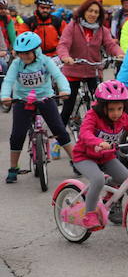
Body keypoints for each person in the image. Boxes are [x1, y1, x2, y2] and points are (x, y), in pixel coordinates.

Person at [71, 80, 128, 230]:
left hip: (106, 156)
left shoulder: (122, 117)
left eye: (120, 108)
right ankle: (89, 214)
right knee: (98, 179)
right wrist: (98, 142)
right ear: (102, 107)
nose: (116, 113)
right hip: (84, 157)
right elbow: (85, 133)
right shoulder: (93, 116)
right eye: (112, 109)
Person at [1, 32, 74, 182]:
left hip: (45, 98)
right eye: (21, 54)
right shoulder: (16, 64)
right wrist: (5, 97)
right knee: (17, 134)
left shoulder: (45, 61)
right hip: (22, 100)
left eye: (27, 53)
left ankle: (75, 160)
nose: (24, 57)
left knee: (59, 129)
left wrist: (65, 89)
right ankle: (13, 167)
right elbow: (8, 81)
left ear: (36, 50)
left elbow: (59, 76)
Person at [57, 0, 124, 126]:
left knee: (101, 105)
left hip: (93, 71)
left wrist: (120, 54)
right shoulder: (73, 26)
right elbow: (63, 44)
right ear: (83, 11)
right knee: (68, 107)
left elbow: (110, 45)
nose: (93, 14)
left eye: (96, 12)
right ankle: (59, 138)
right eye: (90, 11)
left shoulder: (102, 30)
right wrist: (65, 56)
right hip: (73, 71)